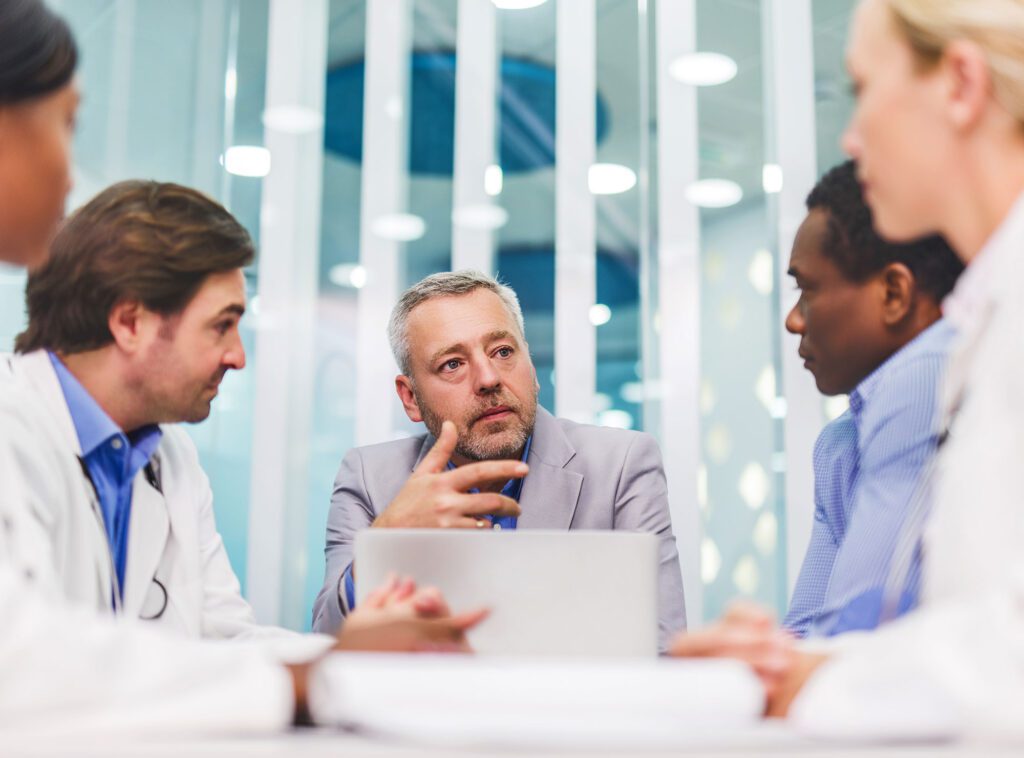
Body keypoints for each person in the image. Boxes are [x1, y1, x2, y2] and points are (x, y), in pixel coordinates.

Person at [0, 179, 483, 729]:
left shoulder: (169, 459)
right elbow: (19, 658)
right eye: (222, 325)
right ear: (131, 323)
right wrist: (314, 677)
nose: (237, 356)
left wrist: (354, 654)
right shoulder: (13, 430)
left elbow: (223, 638)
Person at [678, 0, 1024, 739]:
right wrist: (796, 668)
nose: (851, 135)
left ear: (959, 85)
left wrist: (807, 681)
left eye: (863, 87)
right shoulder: (986, 318)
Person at [313, 270, 687, 648]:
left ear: (532, 366)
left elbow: (663, 650)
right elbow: (328, 646)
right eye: (453, 364)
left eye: (503, 352)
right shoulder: (367, 478)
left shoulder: (622, 465)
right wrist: (387, 539)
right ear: (410, 398)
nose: (489, 378)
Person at [782, 160, 963, 638]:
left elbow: (855, 635)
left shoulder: (925, 375)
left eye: (807, 290)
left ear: (893, 293)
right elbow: (807, 633)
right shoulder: (840, 441)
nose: (793, 321)